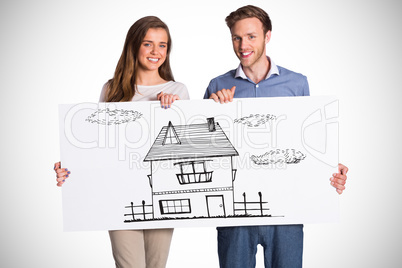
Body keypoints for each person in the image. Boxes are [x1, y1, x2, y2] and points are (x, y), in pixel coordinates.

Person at [203, 5, 348, 268]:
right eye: (236, 37)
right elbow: (203, 148)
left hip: (286, 212)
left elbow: (309, 144)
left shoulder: (297, 84)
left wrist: (330, 170)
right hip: (236, 216)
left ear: (267, 36)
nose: (243, 44)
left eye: (251, 36)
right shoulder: (218, 86)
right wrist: (211, 111)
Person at [54, 16, 189, 268]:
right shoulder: (112, 89)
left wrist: (178, 111)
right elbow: (98, 145)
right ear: (134, 45)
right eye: (148, 44)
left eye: (162, 45)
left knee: (156, 265)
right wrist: (71, 166)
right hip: (117, 194)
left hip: (159, 192)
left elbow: (184, 149)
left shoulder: (178, 91)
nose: (155, 51)